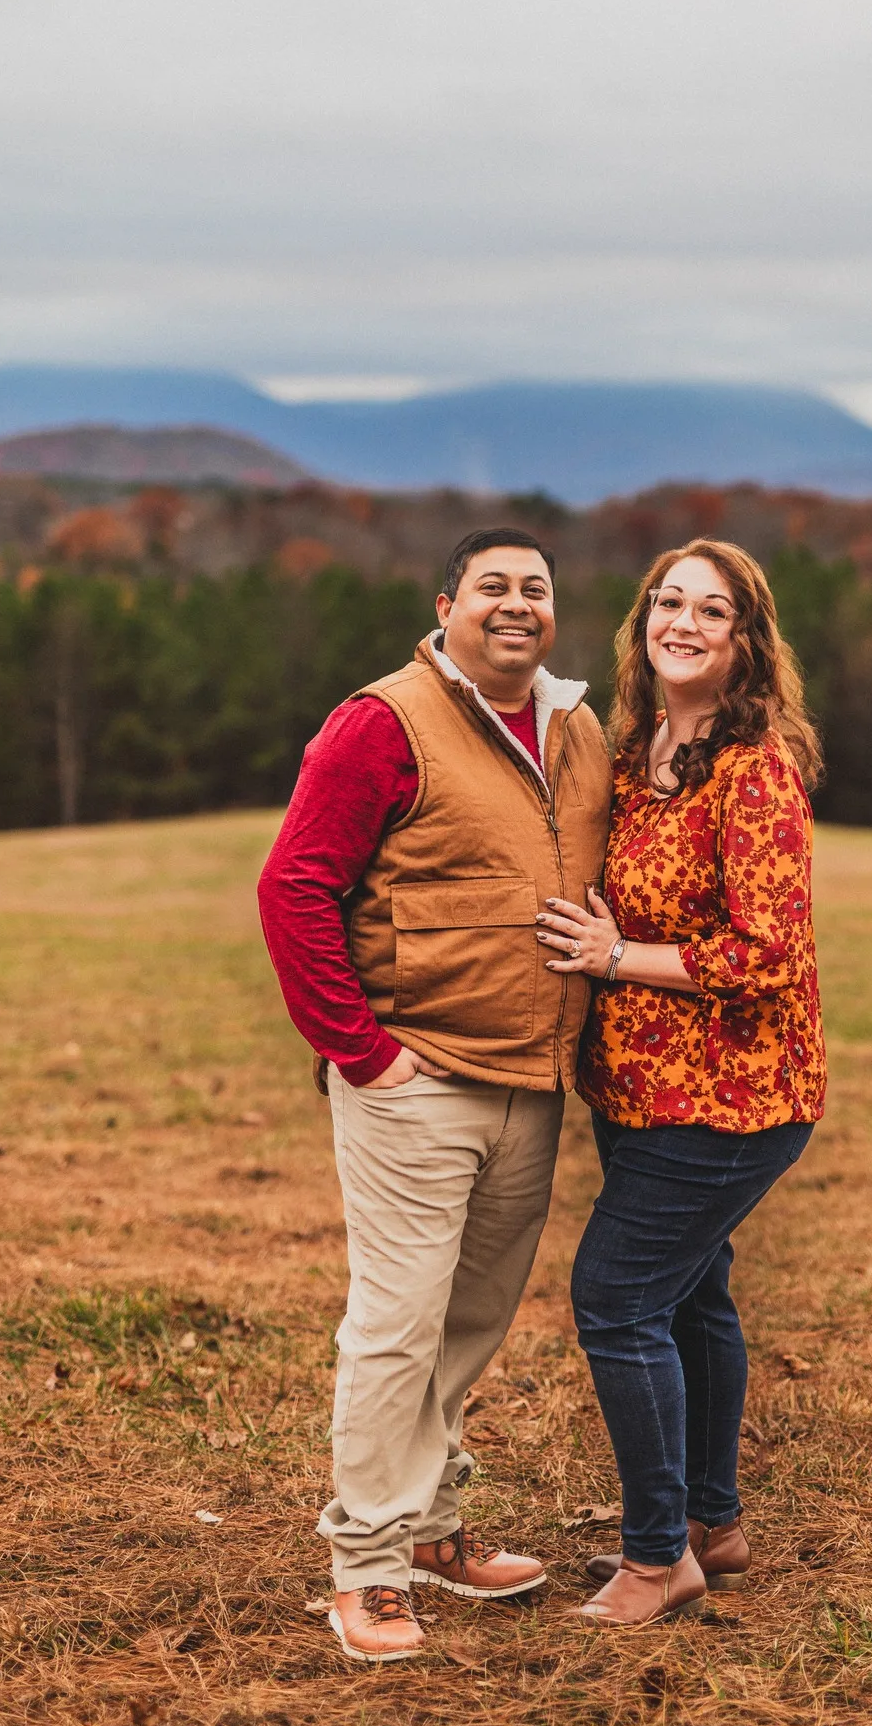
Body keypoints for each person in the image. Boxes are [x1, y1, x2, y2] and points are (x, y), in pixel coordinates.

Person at [258, 528, 610, 1664]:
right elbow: (295, 885)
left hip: (533, 1080)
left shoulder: (576, 726)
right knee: (400, 1321)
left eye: (536, 588)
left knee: (467, 1324)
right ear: (447, 602)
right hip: (416, 1079)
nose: (517, 604)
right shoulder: (386, 719)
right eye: (493, 586)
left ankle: (432, 1525)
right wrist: (362, 1052)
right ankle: (365, 1562)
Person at [534, 537, 825, 1629]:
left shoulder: (756, 771)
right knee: (693, 1290)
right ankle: (714, 1519)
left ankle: (659, 1557)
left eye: (713, 609)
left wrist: (615, 959)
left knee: (616, 1295)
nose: (684, 622)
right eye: (668, 601)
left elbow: (765, 953)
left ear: (748, 641)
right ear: (643, 621)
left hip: (735, 1096)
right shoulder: (632, 748)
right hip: (643, 1088)